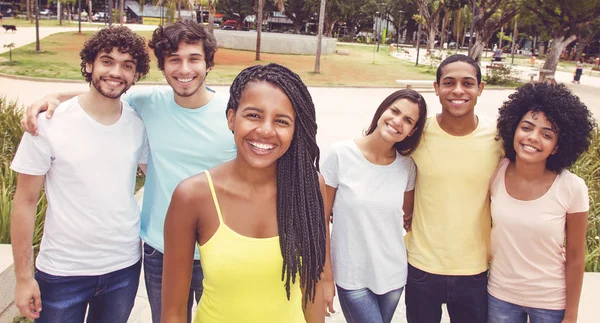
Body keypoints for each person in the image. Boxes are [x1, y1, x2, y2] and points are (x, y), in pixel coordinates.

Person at [20, 20, 236, 323]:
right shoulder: (147, 104)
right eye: (174, 59)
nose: (184, 69)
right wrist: (52, 97)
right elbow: (102, 94)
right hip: (162, 251)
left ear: (208, 63)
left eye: (194, 58)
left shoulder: (233, 114)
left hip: (222, 247)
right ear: (162, 66)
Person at [161, 63, 326, 323]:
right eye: (253, 115)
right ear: (231, 118)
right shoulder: (193, 196)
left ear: (295, 131)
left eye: (282, 121)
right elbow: (173, 312)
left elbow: (311, 291)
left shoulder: (308, 188)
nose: (266, 130)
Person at [10, 26, 150, 323]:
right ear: (89, 65)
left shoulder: (139, 124)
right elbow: (24, 201)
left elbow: (159, 178)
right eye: (107, 61)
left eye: (127, 65)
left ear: (136, 76)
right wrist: (23, 278)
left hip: (124, 268)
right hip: (62, 272)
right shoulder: (48, 122)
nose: (116, 72)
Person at [404, 54, 503, 323]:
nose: (458, 90)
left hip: (474, 269)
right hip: (422, 266)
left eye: (468, 83)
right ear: (436, 89)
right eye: (449, 83)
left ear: (480, 89)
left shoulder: (497, 139)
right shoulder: (416, 133)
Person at [488, 83, 594, 323]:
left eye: (547, 134)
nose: (532, 138)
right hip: (500, 296)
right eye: (526, 127)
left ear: (557, 146)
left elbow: (577, 256)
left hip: (550, 303)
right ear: (513, 129)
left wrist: (572, 314)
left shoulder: (571, 187)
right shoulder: (497, 171)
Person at [321, 89, 427, 323]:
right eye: (395, 111)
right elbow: (321, 222)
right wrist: (326, 276)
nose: (397, 121)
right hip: (352, 275)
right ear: (383, 110)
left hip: (393, 275)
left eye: (408, 120)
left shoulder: (407, 166)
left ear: (413, 130)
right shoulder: (340, 154)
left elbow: (409, 218)